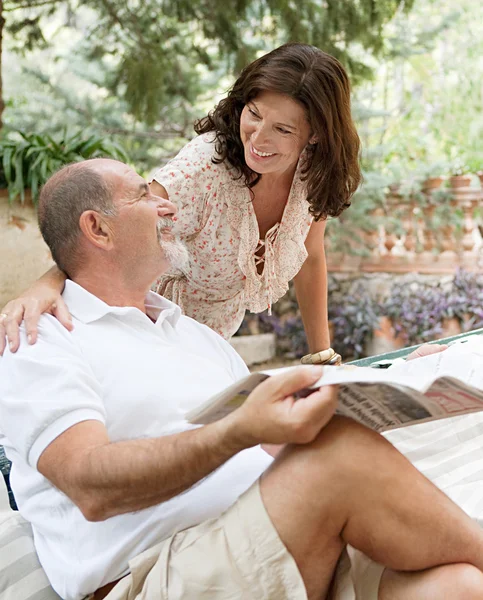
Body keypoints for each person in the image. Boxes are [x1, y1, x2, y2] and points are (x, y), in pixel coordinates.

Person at [1, 159, 483, 600]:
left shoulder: (194, 335)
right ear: (97, 228)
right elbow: (89, 485)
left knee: (457, 587)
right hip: (158, 574)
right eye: (144, 195)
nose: (168, 205)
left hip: (277, 538)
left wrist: (406, 375)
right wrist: (239, 431)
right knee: (340, 455)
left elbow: (265, 440)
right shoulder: (40, 338)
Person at [0, 42, 363, 365]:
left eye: (282, 129)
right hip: (140, 334)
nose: (258, 137)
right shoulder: (204, 168)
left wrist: (322, 357)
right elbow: (107, 229)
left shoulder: (313, 171)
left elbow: (310, 254)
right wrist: (45, 285)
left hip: (208, 346)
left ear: (315, 134)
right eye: (253, 113)